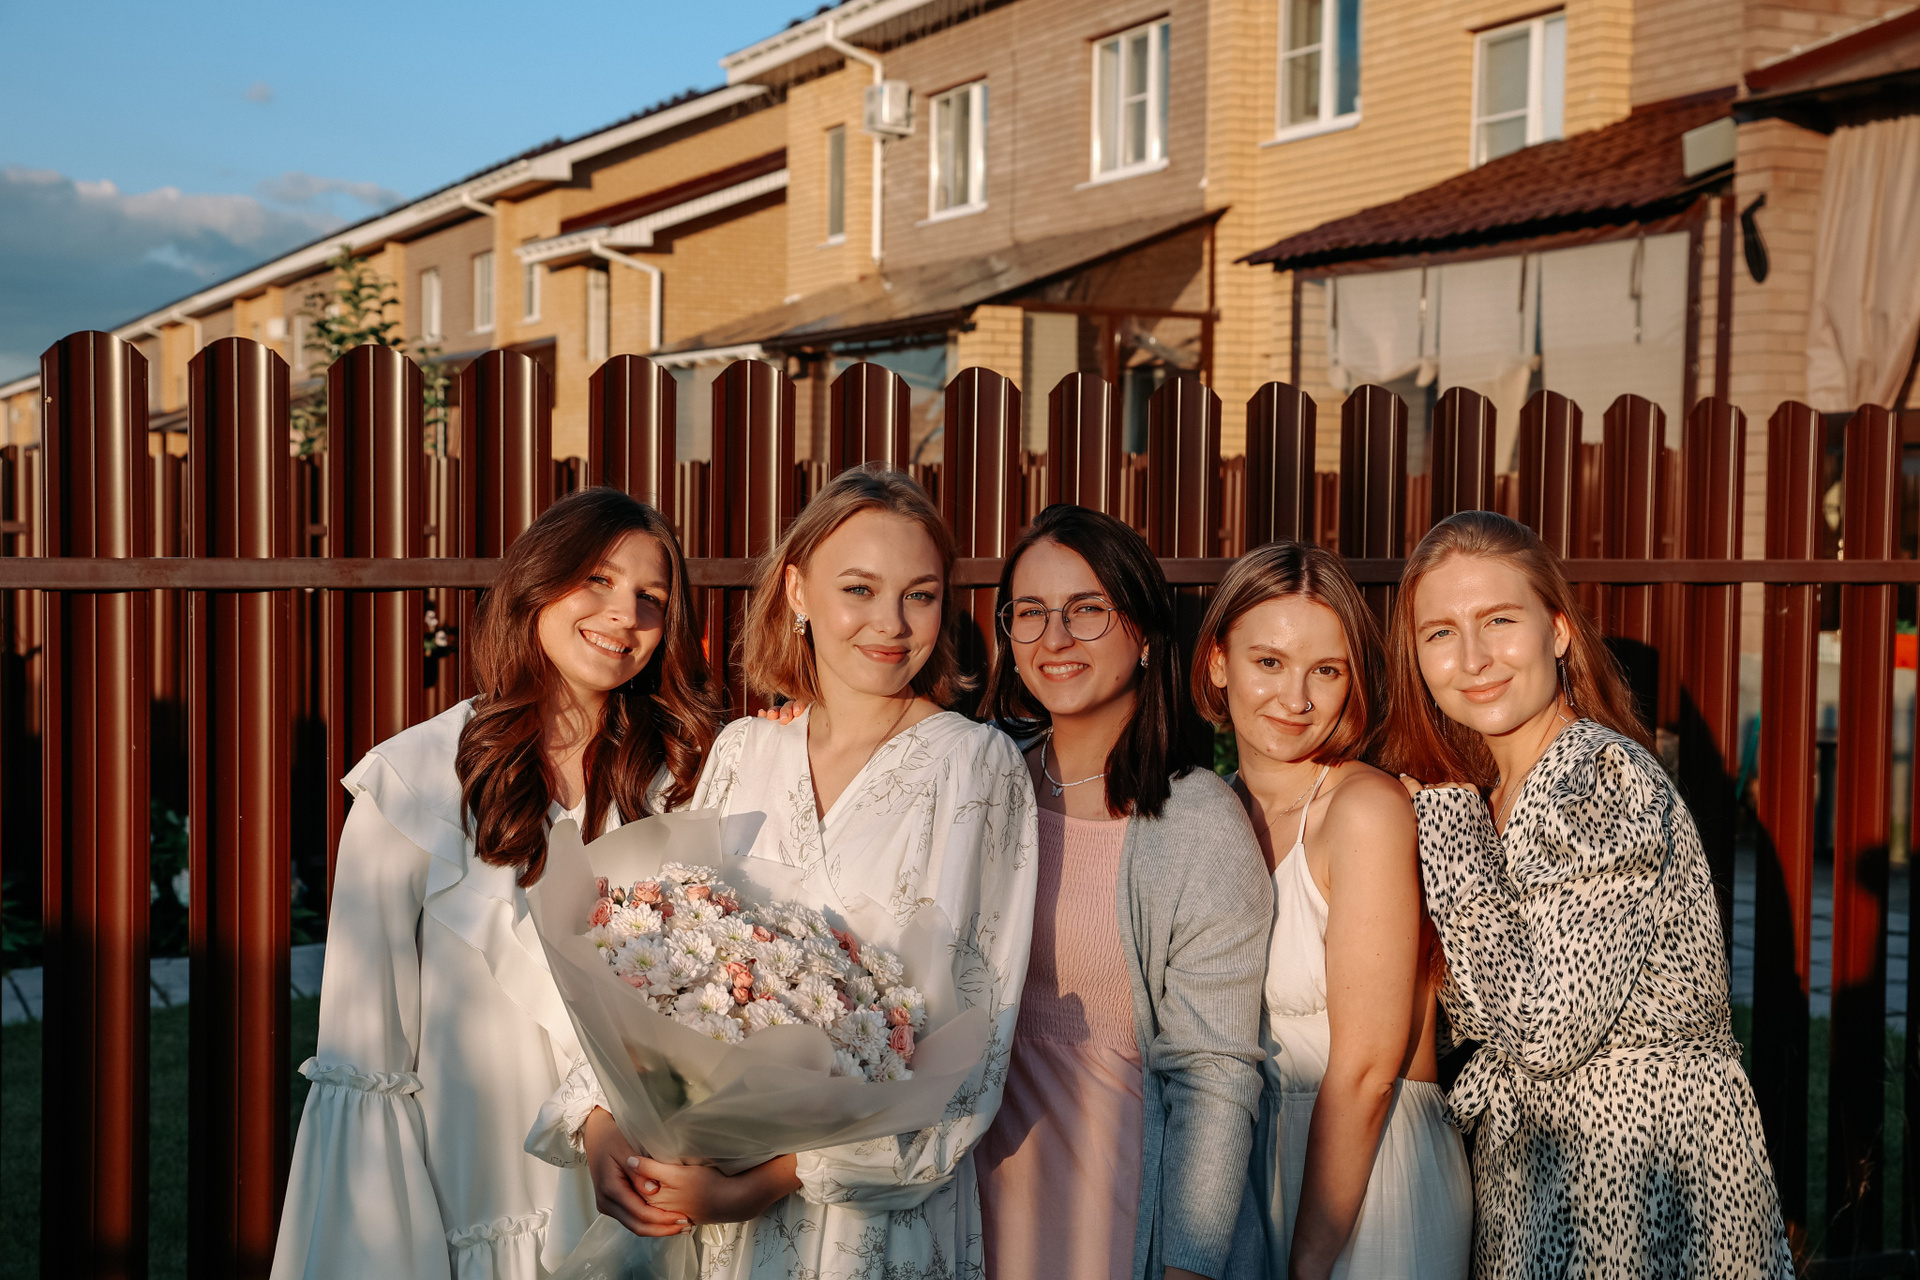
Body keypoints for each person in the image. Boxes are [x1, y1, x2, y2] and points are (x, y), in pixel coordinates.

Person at [558, 465, 1040, 1280]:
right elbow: (653, 963)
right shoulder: (745, 750)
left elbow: (974, 1051)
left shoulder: (976, 769)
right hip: (699, 1216)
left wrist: (767, 1183)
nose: (891, 623)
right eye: (859, 589)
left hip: (865, 1232)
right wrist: (603, 1125)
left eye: (920, 595)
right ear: (797, 591)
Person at [271, 487, 721, 1280]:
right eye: (599, 579)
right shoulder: (412, 785)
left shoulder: (682, 785)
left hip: (646, 1203)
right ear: (536, 583)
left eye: (651, 598)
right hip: (472, 1203)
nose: (625, 614)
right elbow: (365, 1054)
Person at [1386, 510, 1792, 1277]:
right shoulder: (1492, 793)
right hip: (1534, 1173)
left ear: (1559, 630)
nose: (1472, 657)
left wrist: (1449, 830)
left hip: (1641, 1178)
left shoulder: (1601, 778)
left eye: (1498, 620)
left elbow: (1545, 1030)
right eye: (1440, 632)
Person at [975, 504, 1268, 1280]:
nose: (1055, 638)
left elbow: (1213, 1073)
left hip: (1117, 1217)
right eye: (1030, 613)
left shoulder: (1197, 820)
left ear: (1142, 633)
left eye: (1087, 609)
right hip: (969, 1207)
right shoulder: (983, 782)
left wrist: (1188, 1263)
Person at [1194, 541, 1469, 1280]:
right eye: (1269, 662)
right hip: (1248, 1173)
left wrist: (1310, 1258)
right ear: (1218, 663)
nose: (1296, 699)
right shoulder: (1210, 808)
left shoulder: (1364, 809)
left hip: (1369, 1179)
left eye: (1327, 670)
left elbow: (1369, 1068)